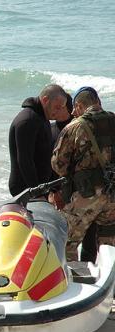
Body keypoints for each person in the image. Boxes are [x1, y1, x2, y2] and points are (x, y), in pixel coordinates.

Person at [51, 86, 115, 261]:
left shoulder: (75, 127)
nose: (72, 113)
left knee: (65, 238)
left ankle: (71, 279)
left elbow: (58, 165)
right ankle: (108, 280)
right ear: (97, 102)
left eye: (74, 108)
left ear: (79, 105)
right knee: (109, 244)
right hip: (113, 195)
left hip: (87, 194)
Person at [8, 84, 67, 196]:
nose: (58, 111)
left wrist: (53, 189)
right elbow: (25, 161)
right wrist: (36, 192)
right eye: (57, 107)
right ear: (45, 100)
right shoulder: (28, 120)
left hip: (39, 187)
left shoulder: (42, 119)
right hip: (25, 190)